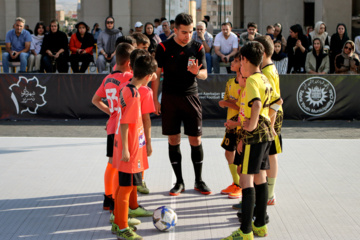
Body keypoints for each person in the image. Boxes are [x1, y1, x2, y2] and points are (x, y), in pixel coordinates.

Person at [222, 41, 280, 240]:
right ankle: (260, 224)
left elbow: (256, 104)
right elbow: (274, 102)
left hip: (255, 135)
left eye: (240, 60)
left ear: (245, 60)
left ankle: (245, 231)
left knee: (245, 180)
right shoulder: (264, 78)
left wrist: (250, 127)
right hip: (266, 134)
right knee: (260, 177)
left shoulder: (254, 81)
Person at [152, 13, 211, 196]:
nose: (188, 35)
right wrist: (155, 99)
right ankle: (179, 182)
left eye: (191, 31)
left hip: (191, 97)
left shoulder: (198, 46)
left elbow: (205, 75)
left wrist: (196, 72)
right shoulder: (163, 47)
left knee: (196, 140)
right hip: (170, 98)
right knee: (173, 140)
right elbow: (156, 75)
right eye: (184, 32)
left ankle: (199, 180)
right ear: (175, 30)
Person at [112, 53, 157, 240]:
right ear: (147, 77)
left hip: (131, 146)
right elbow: (124, 122)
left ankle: (118, 222)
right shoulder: (134, 94)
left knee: (126, 187)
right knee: (126, 188)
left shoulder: (129, 89)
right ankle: (122, 227)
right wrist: (126, 150)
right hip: (129, 149)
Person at [254, 35, 284, 206]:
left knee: (270, 155)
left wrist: (271, 125)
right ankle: (266, 192)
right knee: (268, 154)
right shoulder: (267, 69)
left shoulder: (267, 72)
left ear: (263, 52)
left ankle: (270, 194)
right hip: (270, 116)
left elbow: (275, 101)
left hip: (272, 117)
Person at [218, 51, 242, 199]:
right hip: (231, 123)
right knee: (228, 152)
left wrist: (226, 103)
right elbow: (228, 101)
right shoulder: (230, 82)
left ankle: (241, 186)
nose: (232, 63)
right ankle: (236, 182)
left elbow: (244, 107)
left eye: (236, 60)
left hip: (240, 124)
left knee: (240, 155)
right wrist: (226, 103)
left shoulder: (247, 84)